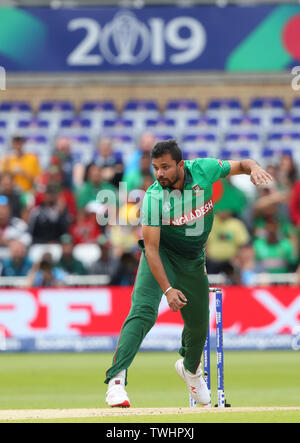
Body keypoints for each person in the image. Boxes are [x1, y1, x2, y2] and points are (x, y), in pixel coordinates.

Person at [104, 139, 272, 408]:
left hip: (193, 259)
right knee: (143, 310)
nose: (159, 174)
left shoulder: (204, 169)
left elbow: (241, 164)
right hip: (161, 256)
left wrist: (254, 169)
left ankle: (191, 370)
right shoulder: (154, 198)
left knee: (198, 322)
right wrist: (168, 290)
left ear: (181, 165)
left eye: (166, 167)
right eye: (156, 168)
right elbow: (152, 250)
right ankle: (116, 382)